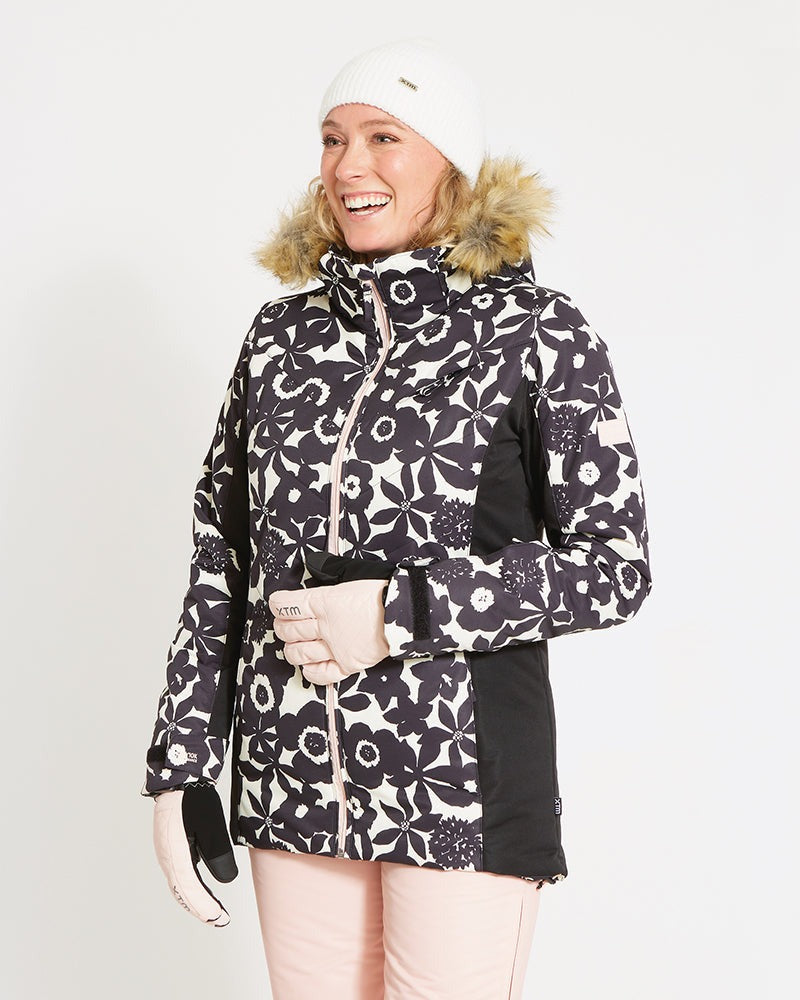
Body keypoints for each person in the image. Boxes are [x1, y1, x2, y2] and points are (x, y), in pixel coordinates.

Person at [143, 36, 653, 1000]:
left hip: (459, 783)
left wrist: (396, 612)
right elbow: (223, 554)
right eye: (333, 138)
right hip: (293, 771)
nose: (350, 166)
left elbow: (613, 567)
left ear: (451, 162)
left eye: (384, 137)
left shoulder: (538, 333)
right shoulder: (279, 340)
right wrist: (182, 758)